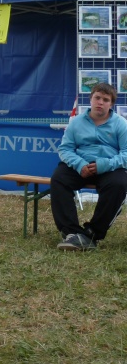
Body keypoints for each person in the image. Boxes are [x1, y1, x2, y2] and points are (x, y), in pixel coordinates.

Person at [51, 82, 127, 251]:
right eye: (97, 98)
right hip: (81, 165)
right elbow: (65, 149)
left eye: (105, 100)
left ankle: (92, 234)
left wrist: (104, 165)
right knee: (59, 178)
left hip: (109, 166)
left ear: (111, 104)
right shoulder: (76, 122)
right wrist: (80, 165)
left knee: (118, 185)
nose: (100, 102)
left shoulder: (121, 124)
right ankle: (71, 232)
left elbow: (126, 153)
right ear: (90, 99)